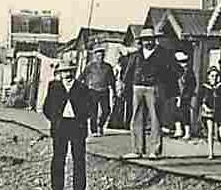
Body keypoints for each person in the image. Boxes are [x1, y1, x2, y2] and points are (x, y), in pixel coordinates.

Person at [120, 28, 178, 159]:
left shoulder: (164, 54)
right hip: (137, 88)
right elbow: (128, 73)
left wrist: (166, 86)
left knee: (155, 119)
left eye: (150, 39)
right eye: (145, 39)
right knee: (136, 118)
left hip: (154, 88)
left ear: (155, 40)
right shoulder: (135, 55)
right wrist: (124, 87)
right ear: (141, 41)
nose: (148, 42)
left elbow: (174, 71)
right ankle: (137, 150)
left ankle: (155, 151)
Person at [42, 59, 91, 190]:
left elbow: (90, 108)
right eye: (64, 71)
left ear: (73, 72)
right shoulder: (53, 87)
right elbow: (47, 107)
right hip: (60, 126)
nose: (67, 74)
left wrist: (81, 119)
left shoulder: (82, 88)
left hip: (77, 126)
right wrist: (55, 120)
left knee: (79, 158)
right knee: (58, 157)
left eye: (69, 71)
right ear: (60, 73)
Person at [80, 45, 116, 137]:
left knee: (106, 110)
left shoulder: (108, 67)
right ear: (95, 56)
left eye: (102, 56)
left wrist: (114, 92)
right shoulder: (90, 66)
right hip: (92, 91)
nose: (100, 57)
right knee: (93, 112)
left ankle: (100, 125)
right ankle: (94, 130)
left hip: (104, 91)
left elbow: (112, 80)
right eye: (98, 56)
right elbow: (82, 77)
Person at [196, 66, 221, 160]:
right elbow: (200, 100)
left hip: (220, 112)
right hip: (209, 112)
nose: (214, 78)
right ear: (208, 76)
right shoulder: (205, 87)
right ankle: (211, 153)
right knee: (210, 132)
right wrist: (204, 106)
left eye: (215, 76)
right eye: (212, 76)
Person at [172, 51, 196, 140]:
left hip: (185, 95)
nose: (183, 64)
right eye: (181, 62)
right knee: (176, 112)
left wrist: (188, 94)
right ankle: (178, 130)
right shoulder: (176, 72)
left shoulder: (189, 72)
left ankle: (187, 132)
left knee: (185, 113)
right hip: (177, 94)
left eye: (185, 61)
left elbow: (193, 84)